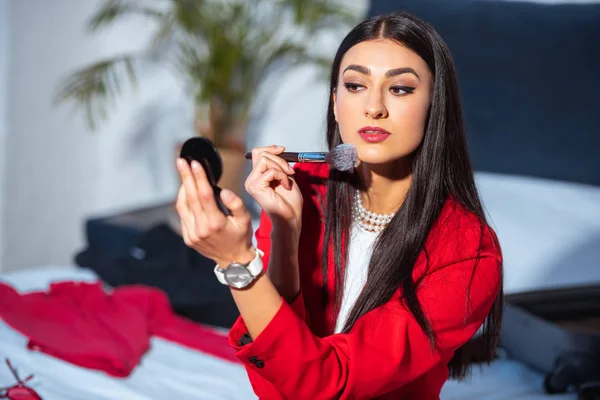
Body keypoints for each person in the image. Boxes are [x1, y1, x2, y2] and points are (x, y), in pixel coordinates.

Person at [174, 11, 503, 400]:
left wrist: (237, 264)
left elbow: (327, 383)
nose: (374, 107)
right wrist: (285, 234)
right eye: (355, 85)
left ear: (435, 106)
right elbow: (275, 383)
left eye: (400, 89)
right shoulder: (299, 194)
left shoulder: (467, 252)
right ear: (335, 102)